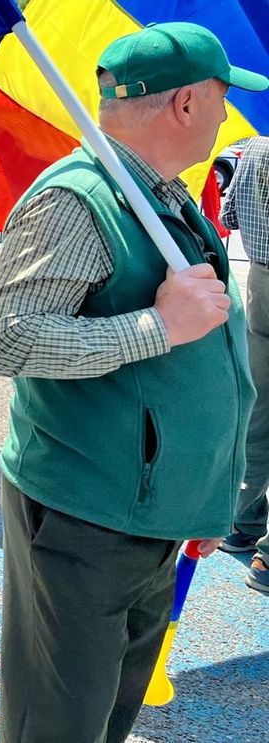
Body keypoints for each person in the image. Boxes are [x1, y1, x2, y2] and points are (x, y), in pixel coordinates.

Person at [0, 23, 267, 743]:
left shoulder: (160, 195)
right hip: (88, 514)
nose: (228, 114)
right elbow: (7, 338)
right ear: (187, 103)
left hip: (143, 514)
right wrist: (158, 326)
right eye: (223, 98)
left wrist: (203, 494)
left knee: (105, 719)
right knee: (59, 725)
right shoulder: (79, 199)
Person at [219, 135, 269, 594]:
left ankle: (242, 521)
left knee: (259, 408)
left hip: (261, 277)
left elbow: (229, 215)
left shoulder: (255, 146)